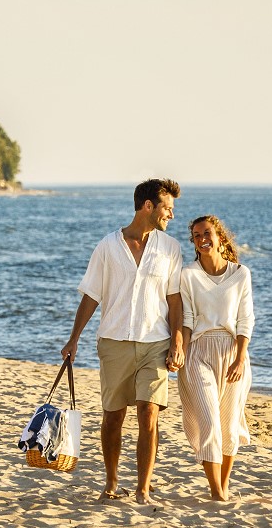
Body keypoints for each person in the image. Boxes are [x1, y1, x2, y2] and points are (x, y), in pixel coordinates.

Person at [61, 178, 186, 504]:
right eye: (167, 208)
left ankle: (144, 488)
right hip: (114, 342)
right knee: (113, 415)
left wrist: (178, 342)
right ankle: (112, 482)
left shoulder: (170, 249)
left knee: (149, 415)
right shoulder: (108, 246)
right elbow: (91, 296)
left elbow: (175, 301)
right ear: (149, 206)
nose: (170, 215)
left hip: (155, 342)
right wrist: (74, 338)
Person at [176, 215, 255, 501]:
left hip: (233, 353)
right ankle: (216, 491)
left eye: (207, 233)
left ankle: (224, 486)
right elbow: (186, 318)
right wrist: (180, 350)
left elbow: (246, 319)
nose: (202, 239)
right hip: (198, 352)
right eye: (196, 235)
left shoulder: (240, 274)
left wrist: (240, 357)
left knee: (229, 423)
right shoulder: (189, 274)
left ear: (220, 237)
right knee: (209, 421)